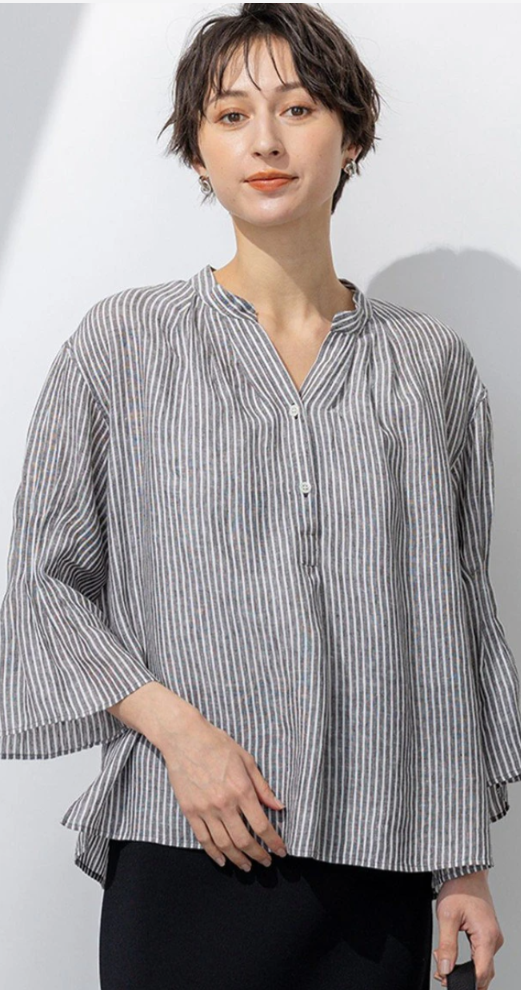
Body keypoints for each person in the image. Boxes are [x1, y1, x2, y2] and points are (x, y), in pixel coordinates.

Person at [0, 4, 518, 989]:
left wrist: (461, 862)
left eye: (298, 108)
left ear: (351, 135)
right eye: (230, 115)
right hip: (188, 836)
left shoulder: (429, 365)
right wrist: (181, 737)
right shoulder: (124, 345)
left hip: (384, 855)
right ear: (197, 151)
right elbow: (42, 584)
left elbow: (452, 613)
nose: (266, 141)